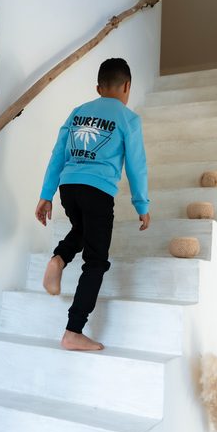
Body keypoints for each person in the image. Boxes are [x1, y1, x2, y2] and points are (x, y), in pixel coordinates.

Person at [35, 58, 150, 351]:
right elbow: (136, 166)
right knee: (96, 261)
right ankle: (73, 331)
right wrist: (141, 204)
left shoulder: (78, 112)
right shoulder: (128, 119)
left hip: (68, 186)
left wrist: (46, 194)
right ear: (127, 87)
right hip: (98, 190)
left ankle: (58, 259)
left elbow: (57, 154)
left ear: (98, 88)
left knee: (82, 230)